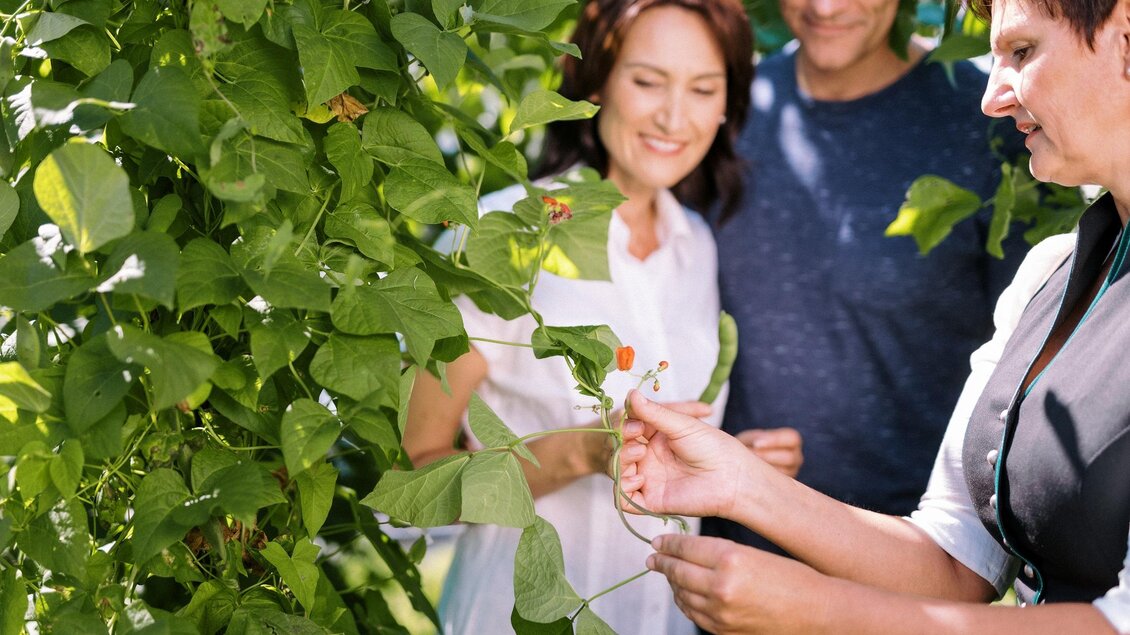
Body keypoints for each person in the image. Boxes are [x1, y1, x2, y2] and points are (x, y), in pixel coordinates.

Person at [617, 1, 1130, 630]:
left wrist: (813, 608)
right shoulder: (1053, 273)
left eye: (1021, 53)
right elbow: (957, 558)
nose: (991, 96)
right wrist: (739, 482)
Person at [400, 1, 755, 633]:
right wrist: (580, 456)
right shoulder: (506, 234)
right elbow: (411, 477)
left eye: (703, 89)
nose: (675, 116)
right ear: (596, 84)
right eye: (648, 81)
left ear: (727, 105)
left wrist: (734, 462)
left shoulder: (697, 244)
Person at [703, 0, 1033, 554]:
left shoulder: (993, 123)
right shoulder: (722, 109)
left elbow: (1033, 356)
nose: (825, 7)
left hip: (909, 558)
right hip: (728, 541)